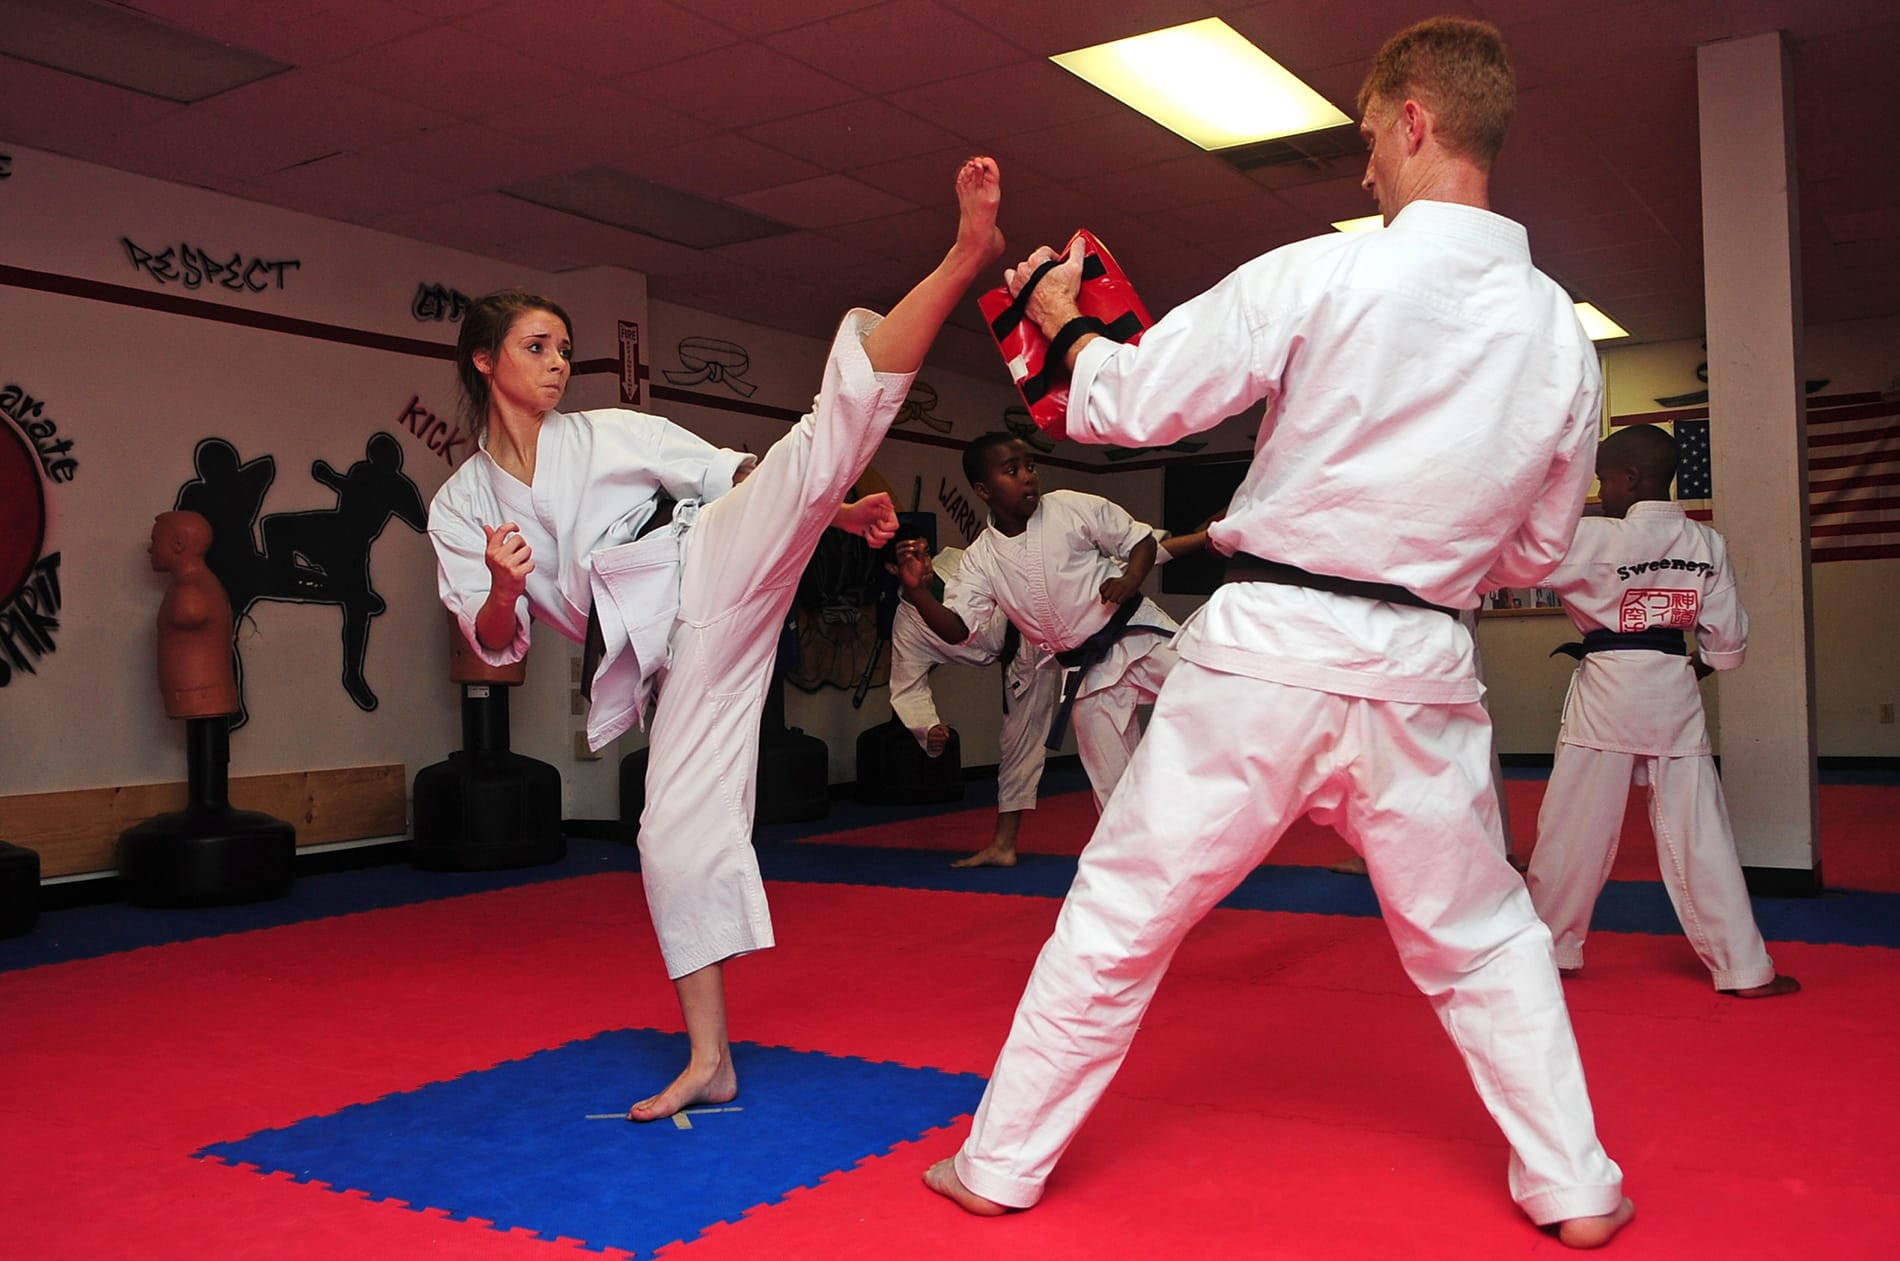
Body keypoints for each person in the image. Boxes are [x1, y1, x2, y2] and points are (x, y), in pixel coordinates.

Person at [924, 19, 1633, 1248]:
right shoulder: (1561, 338)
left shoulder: (1327, 272)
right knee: (1480, 939)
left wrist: (1059, 318)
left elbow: (1123, 401)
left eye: (1367, 138)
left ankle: (999, 1164)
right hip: (1421, 663)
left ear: (1412, 120)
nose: (1362, 170)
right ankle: (1572, 1182)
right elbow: (1535, 553)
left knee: (1124, 907)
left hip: (1266, 650)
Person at [428, 156, 1007, 1123]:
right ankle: (711, 1058)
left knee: (812, 448)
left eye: (567, 347)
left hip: (705, 565)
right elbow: (495, 646)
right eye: (539, 346)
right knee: (665, 837)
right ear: (486, 361)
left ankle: (960, 258)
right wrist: (499, 587)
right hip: (674, 657)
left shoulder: (609, 433)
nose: (561, 362)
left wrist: (823, 509)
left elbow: (732, 476)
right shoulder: (459, 505)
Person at [1526, 424, 1799, 999]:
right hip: (1674, 692)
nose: (1600, 491)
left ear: (1631, 478)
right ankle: (1745, 967)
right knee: (1702, 832)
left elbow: (1518, 560)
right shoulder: (1708, 545)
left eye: (1603, 479)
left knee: (1572, 830)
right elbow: (1724, 647)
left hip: (1606, 693)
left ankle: (1547, 953)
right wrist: (1683, 669)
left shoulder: (1590, 538)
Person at [898, 434, 1206, 813]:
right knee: (1111, 790)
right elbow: (960, 630)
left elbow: (1139, 541)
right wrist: (918, 594)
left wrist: (1130, 581)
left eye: (1030, 466)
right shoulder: (981, 559)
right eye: (1012, 471)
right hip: (1085, 673)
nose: (1027, 476)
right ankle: (1139, 860)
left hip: (1136, 636)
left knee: (1215, 698)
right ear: (983, 490)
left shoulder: (1069, 507)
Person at [884, 524, 1060, 868]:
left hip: (1042, 608)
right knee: (1018, 747)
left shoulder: (958, 561)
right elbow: (907, 684)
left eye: (924, 552)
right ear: (893, 569)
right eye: (912, 557)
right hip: (1021, 654)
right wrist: (928, 727)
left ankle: (1162, 544)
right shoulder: (907, 628)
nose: (925, 562)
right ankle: (1003, 846)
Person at [150, 510, 238, 720]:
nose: (150, 548)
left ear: (178, 544)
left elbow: (189, 613)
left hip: (202, 696)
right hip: (190, 696)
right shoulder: (187, 586)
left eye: (155, 541)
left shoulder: (190, 591)